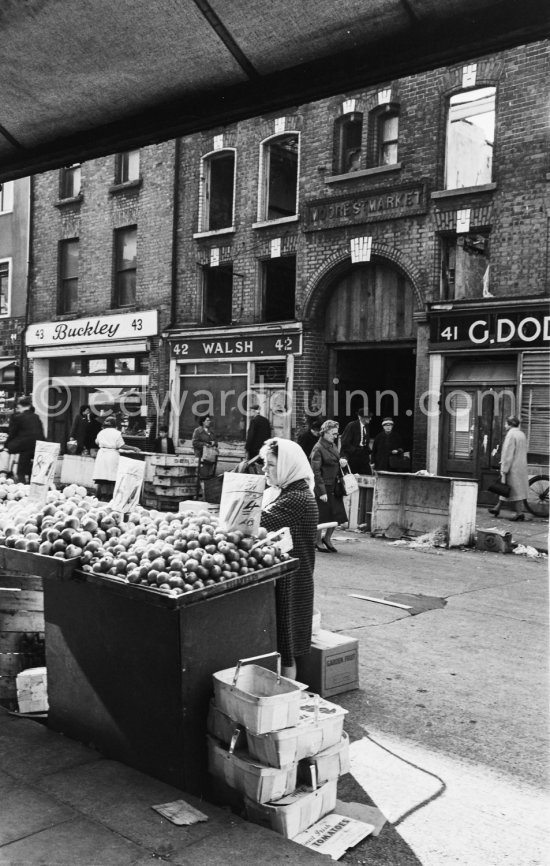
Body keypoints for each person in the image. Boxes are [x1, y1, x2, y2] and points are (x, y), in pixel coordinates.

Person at [259, 437, 318, 679]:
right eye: (264, 463)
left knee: (286, 644)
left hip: (292, 581)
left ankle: (285, 693)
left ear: (287, 466)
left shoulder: (296, 498)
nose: (264, 469)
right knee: (284, 641)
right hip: (292, 575)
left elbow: (256, 523)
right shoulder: (289, 492)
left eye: (270, 464)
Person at [310, 419, 348, 553]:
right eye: (333, 433)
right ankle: (318, 541)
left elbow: (335, 461)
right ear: (325, 432)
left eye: (336, 433)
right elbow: (315, 472)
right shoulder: (318, 448)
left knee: (337, 515)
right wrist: (321, 492)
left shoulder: (332, 445)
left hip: (334, 485)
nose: (335, 436)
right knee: (322, 516)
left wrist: (341, 462)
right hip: (324, 486)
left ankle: (328, 538)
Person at [489, 416, 529, 521]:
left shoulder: (511, 435)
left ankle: (520, 513)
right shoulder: (521, 434)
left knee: (512, 490)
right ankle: (497, 508)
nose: (505, 425)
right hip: (520, 466)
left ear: (510, 424)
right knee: (508, 489)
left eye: (506, 423)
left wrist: (504, 470)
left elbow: (507, 454)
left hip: (512, 467)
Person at [3, 396, 45, 483]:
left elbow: (12, 434)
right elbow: (41, 433)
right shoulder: (36, 417)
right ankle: (31, 485)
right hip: (38, 446)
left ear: (20, 406)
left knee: (21, 471)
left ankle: (21, 486)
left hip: (24, 446)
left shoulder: (17, 417)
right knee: (33, 470)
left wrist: (6, 445)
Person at [93, 416, 127, 501]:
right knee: (112, 476)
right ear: (115, 424)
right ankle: (110, 495)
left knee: (102, 476)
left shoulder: (101, 432)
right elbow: (122, 445)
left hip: (102, 454)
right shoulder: (117, 433)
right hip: (112, 454)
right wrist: (134, 448)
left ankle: (103, 495)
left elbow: (96, 442)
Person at [340, 409, 373, 474]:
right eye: (368, 417)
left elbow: (365, 442)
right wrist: (355, 451)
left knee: (367, 475)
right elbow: (345, 442)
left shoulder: (366, 427)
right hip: (353, 456)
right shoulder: (352, 425)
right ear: (361, 417)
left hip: (363, 456)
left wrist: (367, 452)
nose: (370, 419)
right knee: (353, 477)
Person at [192, 414, 218, 478]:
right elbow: (194, 442)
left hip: (210, 458)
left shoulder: (212, 431)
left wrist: (214, 443)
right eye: (207, 420)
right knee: (201, 475)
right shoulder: (197, 431)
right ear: (203, 422)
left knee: (209, 476)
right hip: (201, 457)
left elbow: (216, 443)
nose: (209, 422)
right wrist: (205, 444)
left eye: (210, 420)